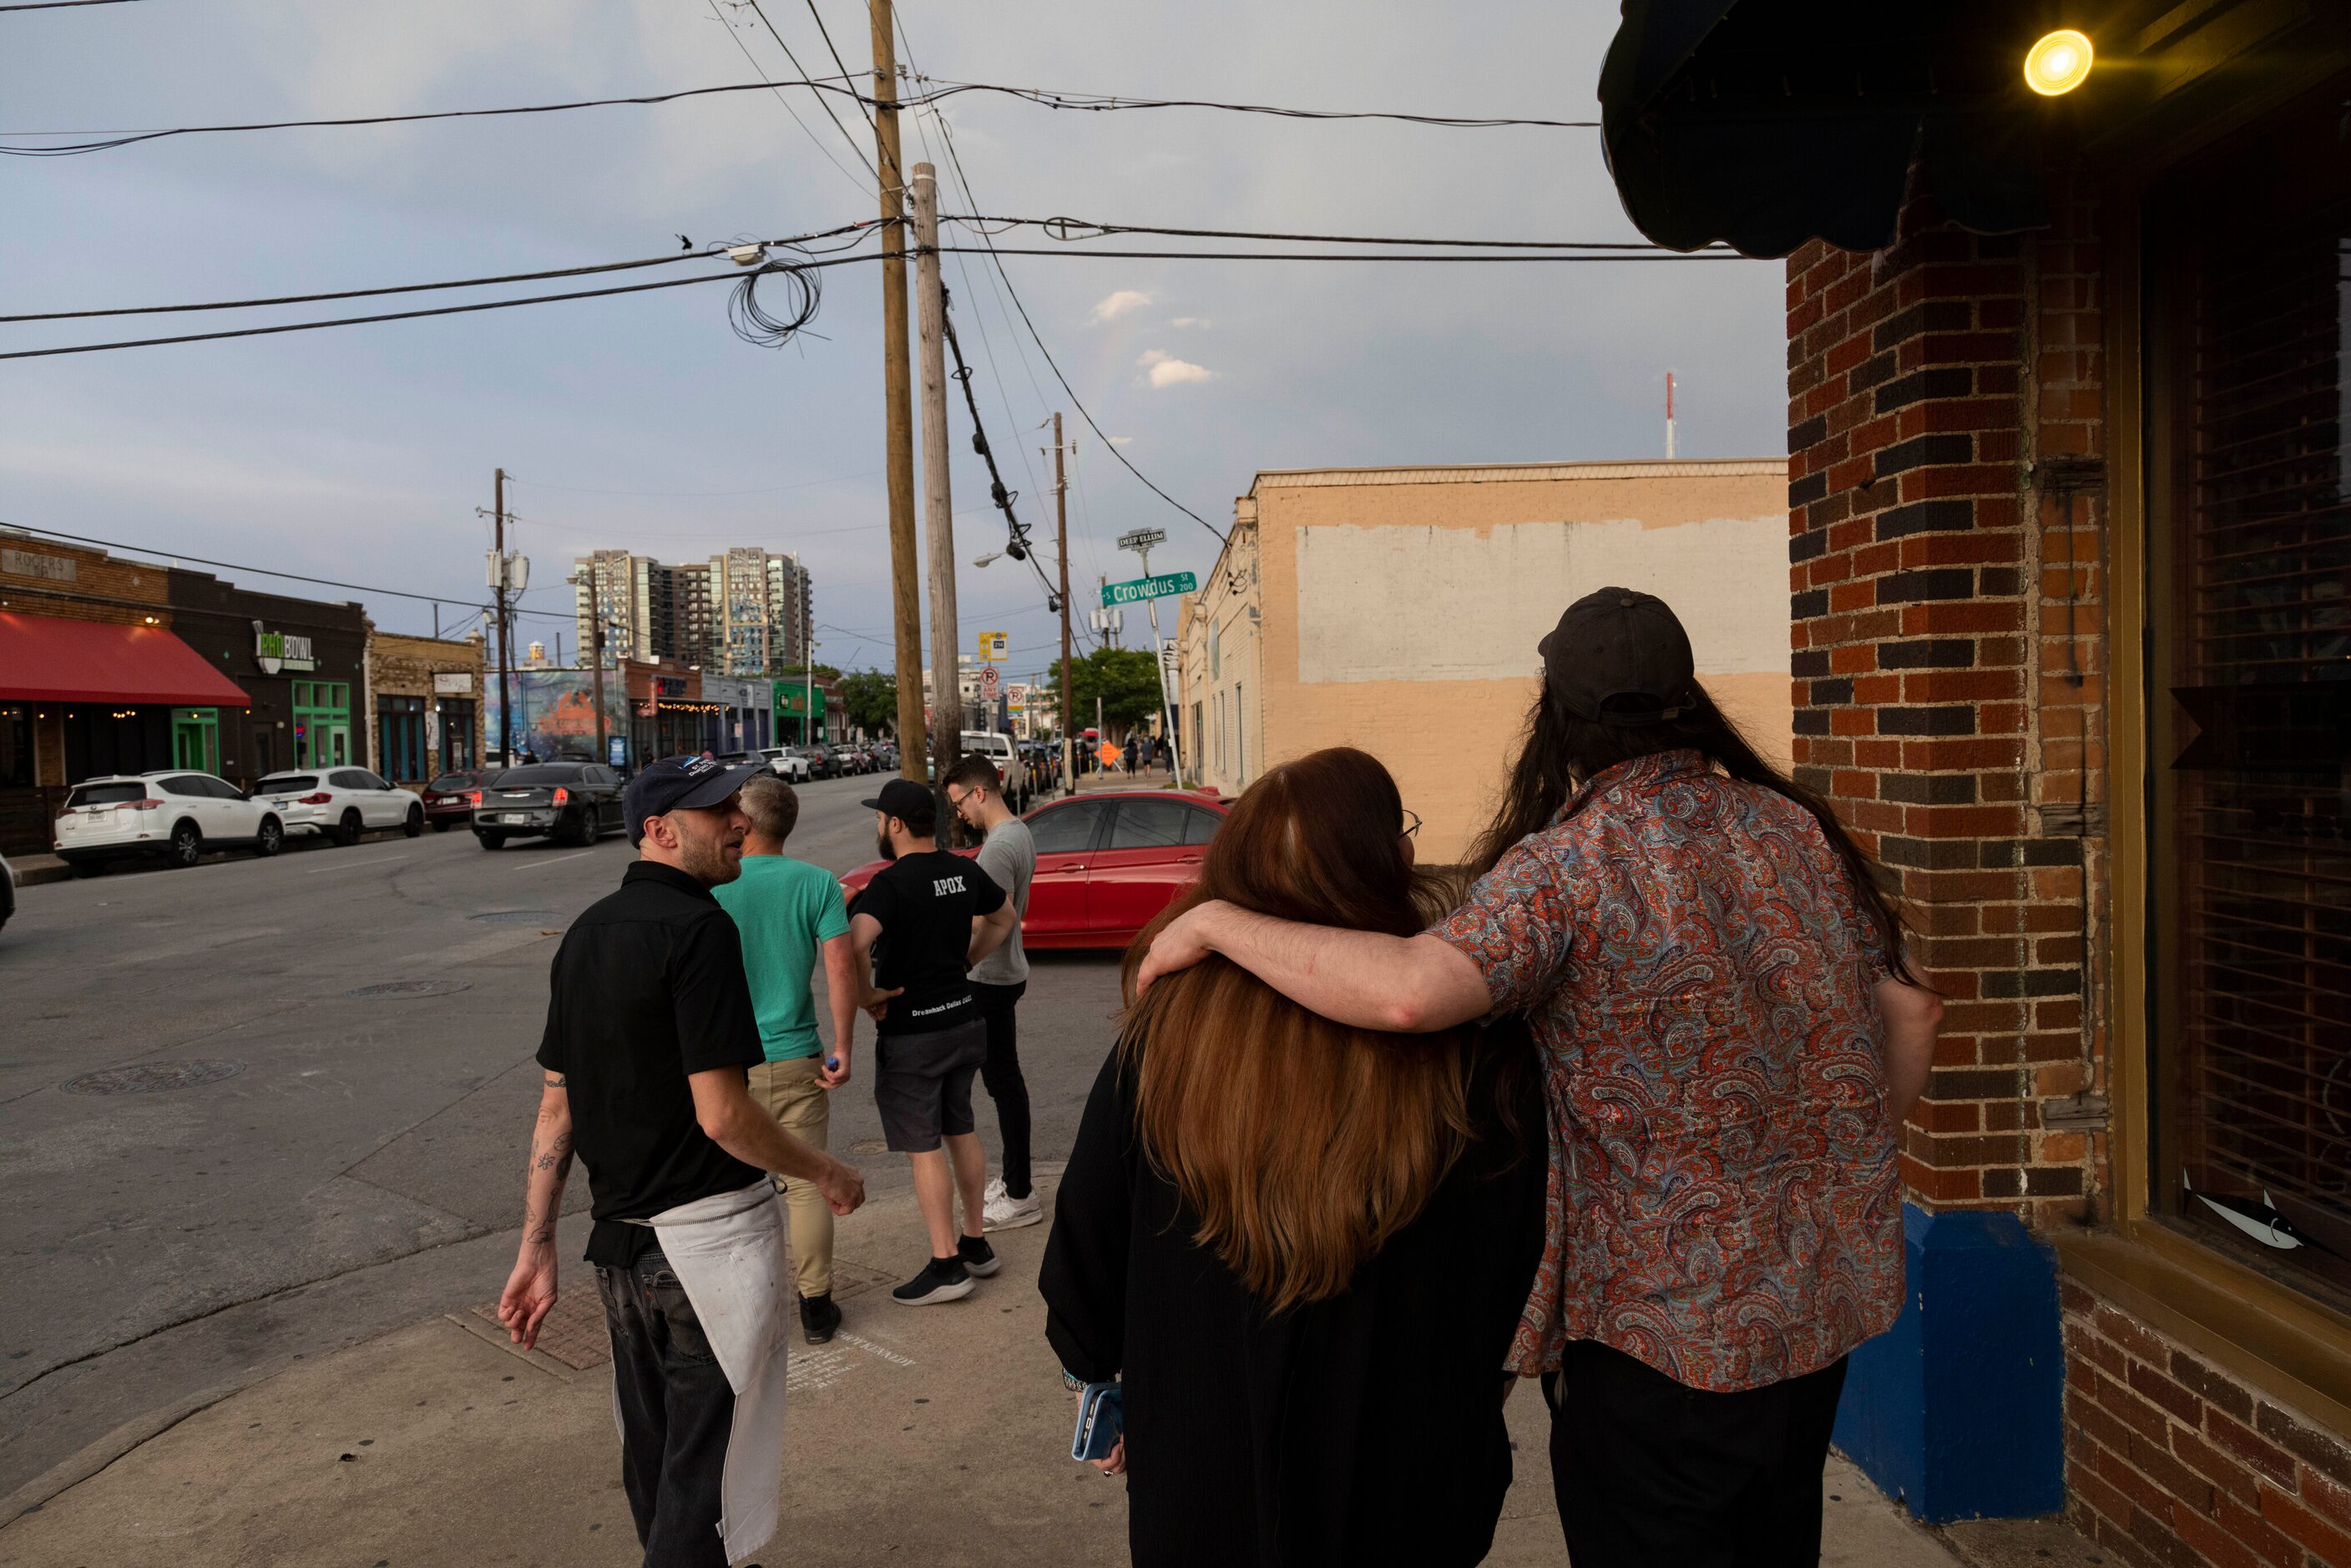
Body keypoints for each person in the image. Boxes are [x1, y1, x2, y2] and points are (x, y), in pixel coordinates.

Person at [1140, 589, 1945, 1568]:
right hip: (1820, 1306)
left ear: (1554, 714)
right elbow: (1910, 1010)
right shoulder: (1791, 829)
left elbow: (1408, 994)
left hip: (1657, 1341)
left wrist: (1214, 923)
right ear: (1687, 699)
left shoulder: (1567, 865)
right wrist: (1823, 1157)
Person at [1043, 747, 1545, 1567]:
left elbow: (1086, 1240)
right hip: (1406, 1470)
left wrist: (1094, 1377)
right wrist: (1478, 1384)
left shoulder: (1168, 1033)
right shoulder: (1473, 1043)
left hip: (1203, 1470)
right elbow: (1511, 1246)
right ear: (1388, 857)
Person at [498, 754, 867, 1568]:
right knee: (705, 1474)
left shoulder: (585, 935)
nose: (739, 822)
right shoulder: (699, 930)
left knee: (657, 1457)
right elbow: (724, 1115)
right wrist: (822, 1169)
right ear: (659, 832)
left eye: (736, 807)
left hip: (622, 1253)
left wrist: (536, 1246)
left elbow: (554, 1110)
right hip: (705, 1248)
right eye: (716, 814)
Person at [849, 776, 1019, 1304]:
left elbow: (855, 942)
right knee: (960, 1128)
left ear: (896, 825)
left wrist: (866, 993)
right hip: (963, 1020)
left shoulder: (890, 882)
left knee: (924, 1148)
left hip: (914, 1032)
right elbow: (1005, 917)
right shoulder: (963, 869)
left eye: (880, 818)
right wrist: (967, 960)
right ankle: (976, 1243)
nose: (879, 826)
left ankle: (946, 1264)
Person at [710, 773, 858, 1345]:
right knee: (805, 1183)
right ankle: (816, 1307)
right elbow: (840, 968)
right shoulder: (817, 884)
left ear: (741, 824)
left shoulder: (714, 883)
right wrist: (842, 1047)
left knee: (727, 1187)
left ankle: (737, 1310)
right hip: (797, 1056)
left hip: (723, 1063)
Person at [943, 754, 1043, 1231]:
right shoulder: (1017, 833)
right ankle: (1014, 1181)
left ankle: (1020, 1193)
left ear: (979, 792)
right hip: (1006, 974)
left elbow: (991, 921)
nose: (958, 812)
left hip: (991, 979)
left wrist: (961, 964)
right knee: (1005, 1082)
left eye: (959, 802)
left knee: (1003, 1085)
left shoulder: (999, 849)